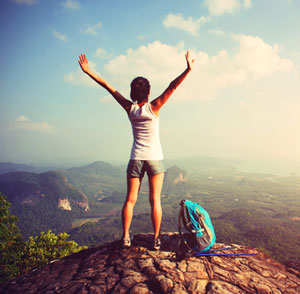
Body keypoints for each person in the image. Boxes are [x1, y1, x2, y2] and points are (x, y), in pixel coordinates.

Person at [78, 50, 194, 250]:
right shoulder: (155, 106)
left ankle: (125, 238)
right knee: (154, 200)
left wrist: (88, 71)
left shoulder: (129, 109)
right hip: (155, 158)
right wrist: (188, 69)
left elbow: (108, 87)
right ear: (148, 92)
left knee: (130, 200)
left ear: (133, 93)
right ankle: (157, 240)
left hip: (136, 158)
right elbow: (172, 87)